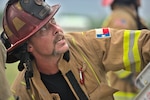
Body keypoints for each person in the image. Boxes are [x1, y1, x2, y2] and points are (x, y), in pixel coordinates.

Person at [1, 0, 149, 100]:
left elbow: (142, 43)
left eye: (53, 21)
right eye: (44, 29)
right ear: (29, 46)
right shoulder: (23, 92)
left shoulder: (87, 44)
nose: (57, 30)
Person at [101, 0, 149, 99]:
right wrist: (132, 78)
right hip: (125, 91)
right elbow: (115, 53)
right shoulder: (121, 19)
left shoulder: (127, 17)